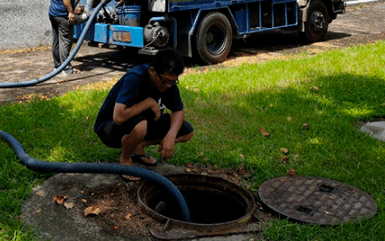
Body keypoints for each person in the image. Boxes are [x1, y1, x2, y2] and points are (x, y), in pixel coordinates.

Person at [94, 48, 194, 180]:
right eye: (166, 81)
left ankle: (137, 146)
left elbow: (178, 110)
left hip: (143, 123)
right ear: (153, 71)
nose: (168, 86)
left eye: (173, 81)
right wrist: (147, 103)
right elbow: (118, 117)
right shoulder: (135, 78)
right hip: (109, 127)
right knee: (140, 125)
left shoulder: (167, 83)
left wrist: (171, 135)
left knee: (187, 132)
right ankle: (125, 159)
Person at [49, 0, 80, 76]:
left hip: (53, 13)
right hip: (62, 15)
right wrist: (71, 12)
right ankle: (66, 68)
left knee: (56, 42)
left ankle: (57, 67)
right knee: (65, 42)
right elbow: (66, 1)